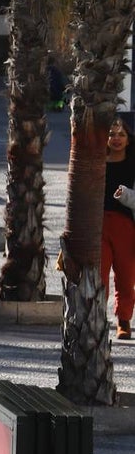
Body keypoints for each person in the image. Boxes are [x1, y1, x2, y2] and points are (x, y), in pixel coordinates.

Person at [104, 118, 135, 340]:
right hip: (97, 225)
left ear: (128, 138)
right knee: (98, 276)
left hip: (126, 225)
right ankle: (95, 318)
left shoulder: (133, 163)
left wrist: (125, 196)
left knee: (126, 276)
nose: (116, 139)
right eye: (112, 134)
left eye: (121, 134)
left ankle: (124, 321)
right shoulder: (95, 160)